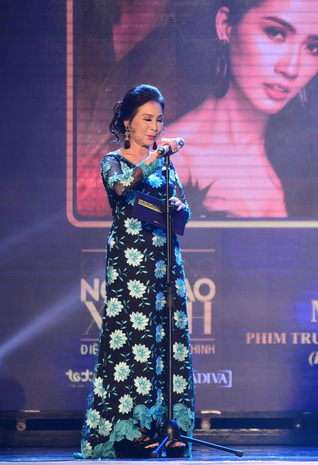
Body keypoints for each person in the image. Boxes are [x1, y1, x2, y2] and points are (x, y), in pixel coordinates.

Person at [79, 84, 195, 459]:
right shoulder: (113, 161)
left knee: (167, 341)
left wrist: (178, 206)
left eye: (159, 120)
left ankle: (168, 427)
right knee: (134, 343)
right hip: (131, 265)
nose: (155, 127)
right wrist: (156, 157)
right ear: (128, 122)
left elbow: (184, 210)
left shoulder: (165, 164)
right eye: (147, 119)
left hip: (166, 263)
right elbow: (120, 187)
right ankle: (131, 430)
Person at [166, 0, 318, 218]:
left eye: (313, 48)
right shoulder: (169, 159)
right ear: (225, 26)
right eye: (276, 33)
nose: (291, 68)